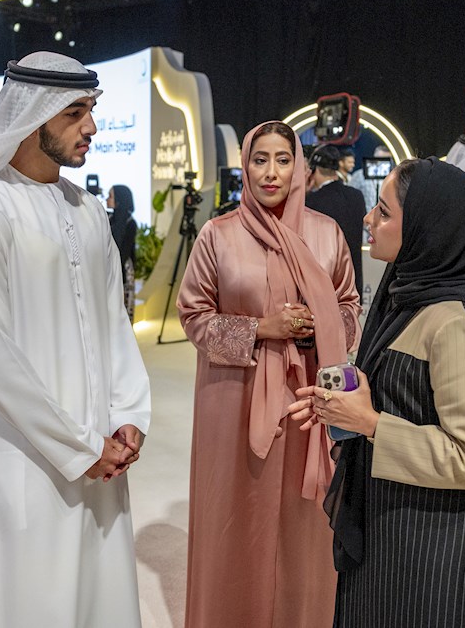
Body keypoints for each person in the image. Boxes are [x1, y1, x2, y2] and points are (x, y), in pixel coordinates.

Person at [0, 52, 151, 627]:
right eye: (74, 113)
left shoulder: (88, 210)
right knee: (26, 596)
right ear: (30, 118)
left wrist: (127, 413)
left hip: (100, 446)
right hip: (23, 454)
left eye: (91, 110)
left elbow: (113, 323)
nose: (91, 127)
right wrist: (80, 447)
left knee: (97, 589)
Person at [288, 157, 465, 627]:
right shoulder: (409, 298)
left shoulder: (460, 325)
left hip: (441, 554)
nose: (367, 219)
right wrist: (348, 407)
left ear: (423, 229)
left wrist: (371, 423)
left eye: (384, 211)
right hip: (400, 534)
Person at [176, 120, 362, 628]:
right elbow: (193, 316)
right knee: (234, 514)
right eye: (260, 160)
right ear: (245, 166)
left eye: (283, 159)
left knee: (303, 523)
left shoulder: (325, 234)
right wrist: (263, 328)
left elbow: (350, 307)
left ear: (299, 166)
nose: (271, 172)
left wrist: (318, 325)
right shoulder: (218, 235)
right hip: (232, 398)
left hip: (306, 400)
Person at [306, 144, 366, 296]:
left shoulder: (311, 202)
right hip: (353, 284)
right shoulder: (357, 196)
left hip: (323, 287)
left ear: (314, 170)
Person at [107, 184, 137, 318]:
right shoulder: (108, 219)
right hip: (110, 267)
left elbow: (124, 251)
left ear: (119, 200)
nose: (107, 199)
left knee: (124, 309)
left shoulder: (130, 223)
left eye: (110, 196)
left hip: (123, 269)